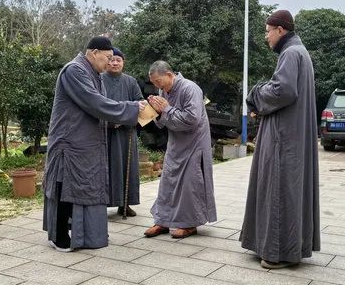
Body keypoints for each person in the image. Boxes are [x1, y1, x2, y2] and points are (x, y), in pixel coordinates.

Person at [42, 37, 146, 252]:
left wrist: (137, 108)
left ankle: (85, 233)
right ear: (94, 52)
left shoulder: (94, 74)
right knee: (66, 185)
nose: (110, 63)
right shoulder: (74, 71)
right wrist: (132, 108)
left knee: (87, 187)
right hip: (69, 142)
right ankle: (59, 235)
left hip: (88, 142)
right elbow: (95, 103)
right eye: (107, 58)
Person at [240, 9, 320, 269]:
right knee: (288, 189)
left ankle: (276, 252)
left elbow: (283, 90)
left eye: (267, 32)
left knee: (278, 188)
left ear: (280, 30)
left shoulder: (291, 53)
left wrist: (255, 92)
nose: (266, 37)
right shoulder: (300, 53)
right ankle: (285, 247)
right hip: (293, 134)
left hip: (284, 137)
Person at [144, 61, 216, 239]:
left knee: (190, 183)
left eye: (158, 81)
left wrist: (166, 109)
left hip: (194, 142)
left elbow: (192, 119)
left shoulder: (190, 88)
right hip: (176, 142)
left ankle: (189, 224)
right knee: (168, 180)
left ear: (169, 75)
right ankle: (163, 220)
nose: (156, 86)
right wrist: (155, 111)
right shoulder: (163, 91)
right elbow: (161, 123)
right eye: (153, 83)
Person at [102, 48, 143, 217]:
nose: (114, 63)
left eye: (118, 60)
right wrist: (111, 120)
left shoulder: (131, 81)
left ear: (123, 63)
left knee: (128, 168)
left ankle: (124, 204)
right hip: (104, 133)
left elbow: (140, 103)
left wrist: (125, 117)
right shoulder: (99, 80)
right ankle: (100, 205)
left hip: (126, 134)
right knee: (105, 168)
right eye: (111, 59)